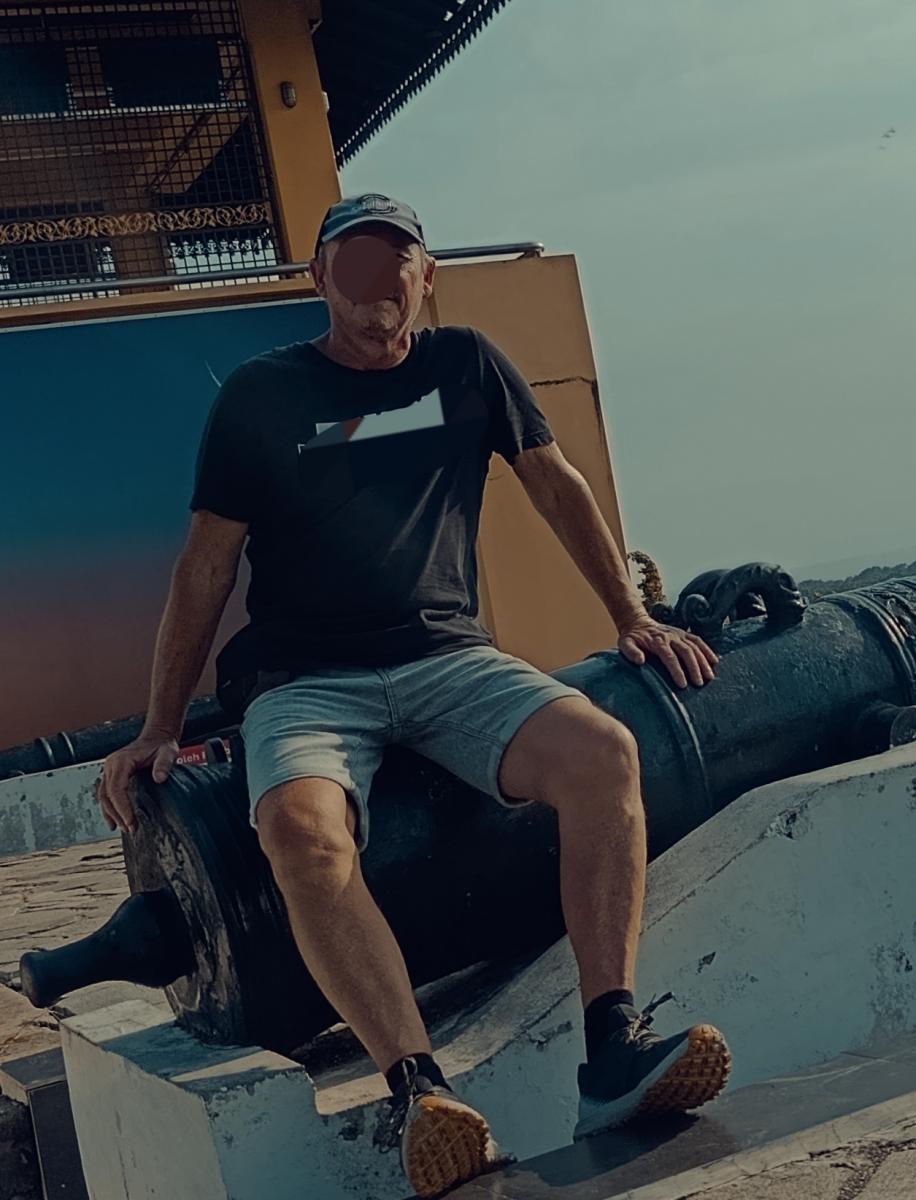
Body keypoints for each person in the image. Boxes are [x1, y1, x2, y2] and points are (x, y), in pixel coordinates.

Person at [98, 193, 731, 1198]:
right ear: (319, 280)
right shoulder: (261, 397)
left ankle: (612, 1047)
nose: (375, 285)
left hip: (447, 659)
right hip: (304, 681)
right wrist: (161, 727)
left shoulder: (466, 366)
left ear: (425, 279)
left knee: (604, 754)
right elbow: (206, 565)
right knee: (300, 833)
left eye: (395, 263)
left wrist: (631, 615)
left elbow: (554, 482)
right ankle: (419, 1093)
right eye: (352, 265)